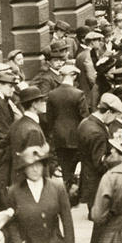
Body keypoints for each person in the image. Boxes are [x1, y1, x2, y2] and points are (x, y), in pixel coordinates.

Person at [46, 64, 89, 194]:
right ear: (74, 76)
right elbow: (84, 117)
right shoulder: (78, 94)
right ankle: (73, 194)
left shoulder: (52, 94)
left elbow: (49, 118)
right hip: (75, 137)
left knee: (65, 168)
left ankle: (65, 193)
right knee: (76, 167)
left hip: (59, 136)